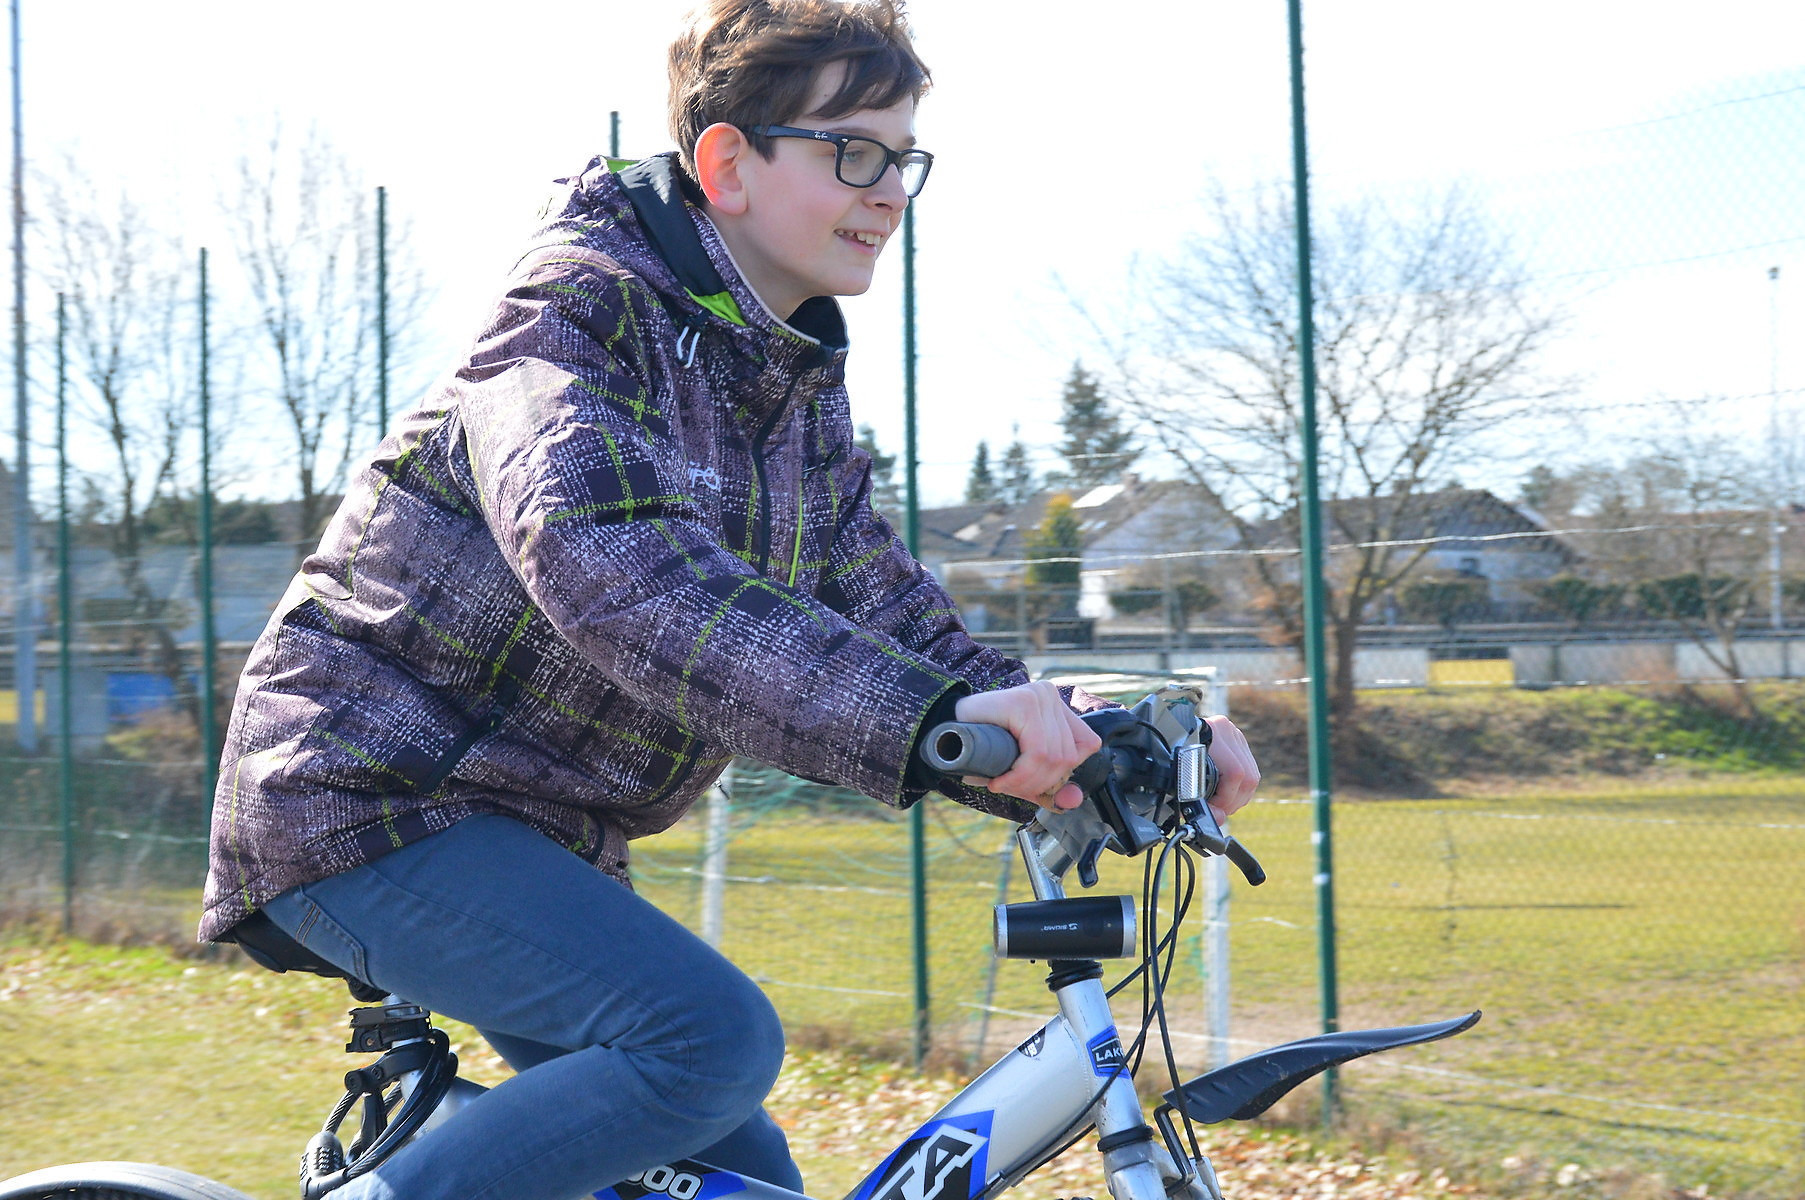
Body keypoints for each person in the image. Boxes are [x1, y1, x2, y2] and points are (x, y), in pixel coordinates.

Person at [199, 2, 1261, 1198]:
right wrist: (924, 724)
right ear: (726, 165)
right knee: (705, 1045)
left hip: (534, 837)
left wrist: (1100, 735)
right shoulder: (566, 330)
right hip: (365, 802)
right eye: (851, 153)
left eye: (902, 158)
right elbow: (621, 577)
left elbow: (897, 624)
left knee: (744, 1181)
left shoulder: (784, 390)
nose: (889, 191)